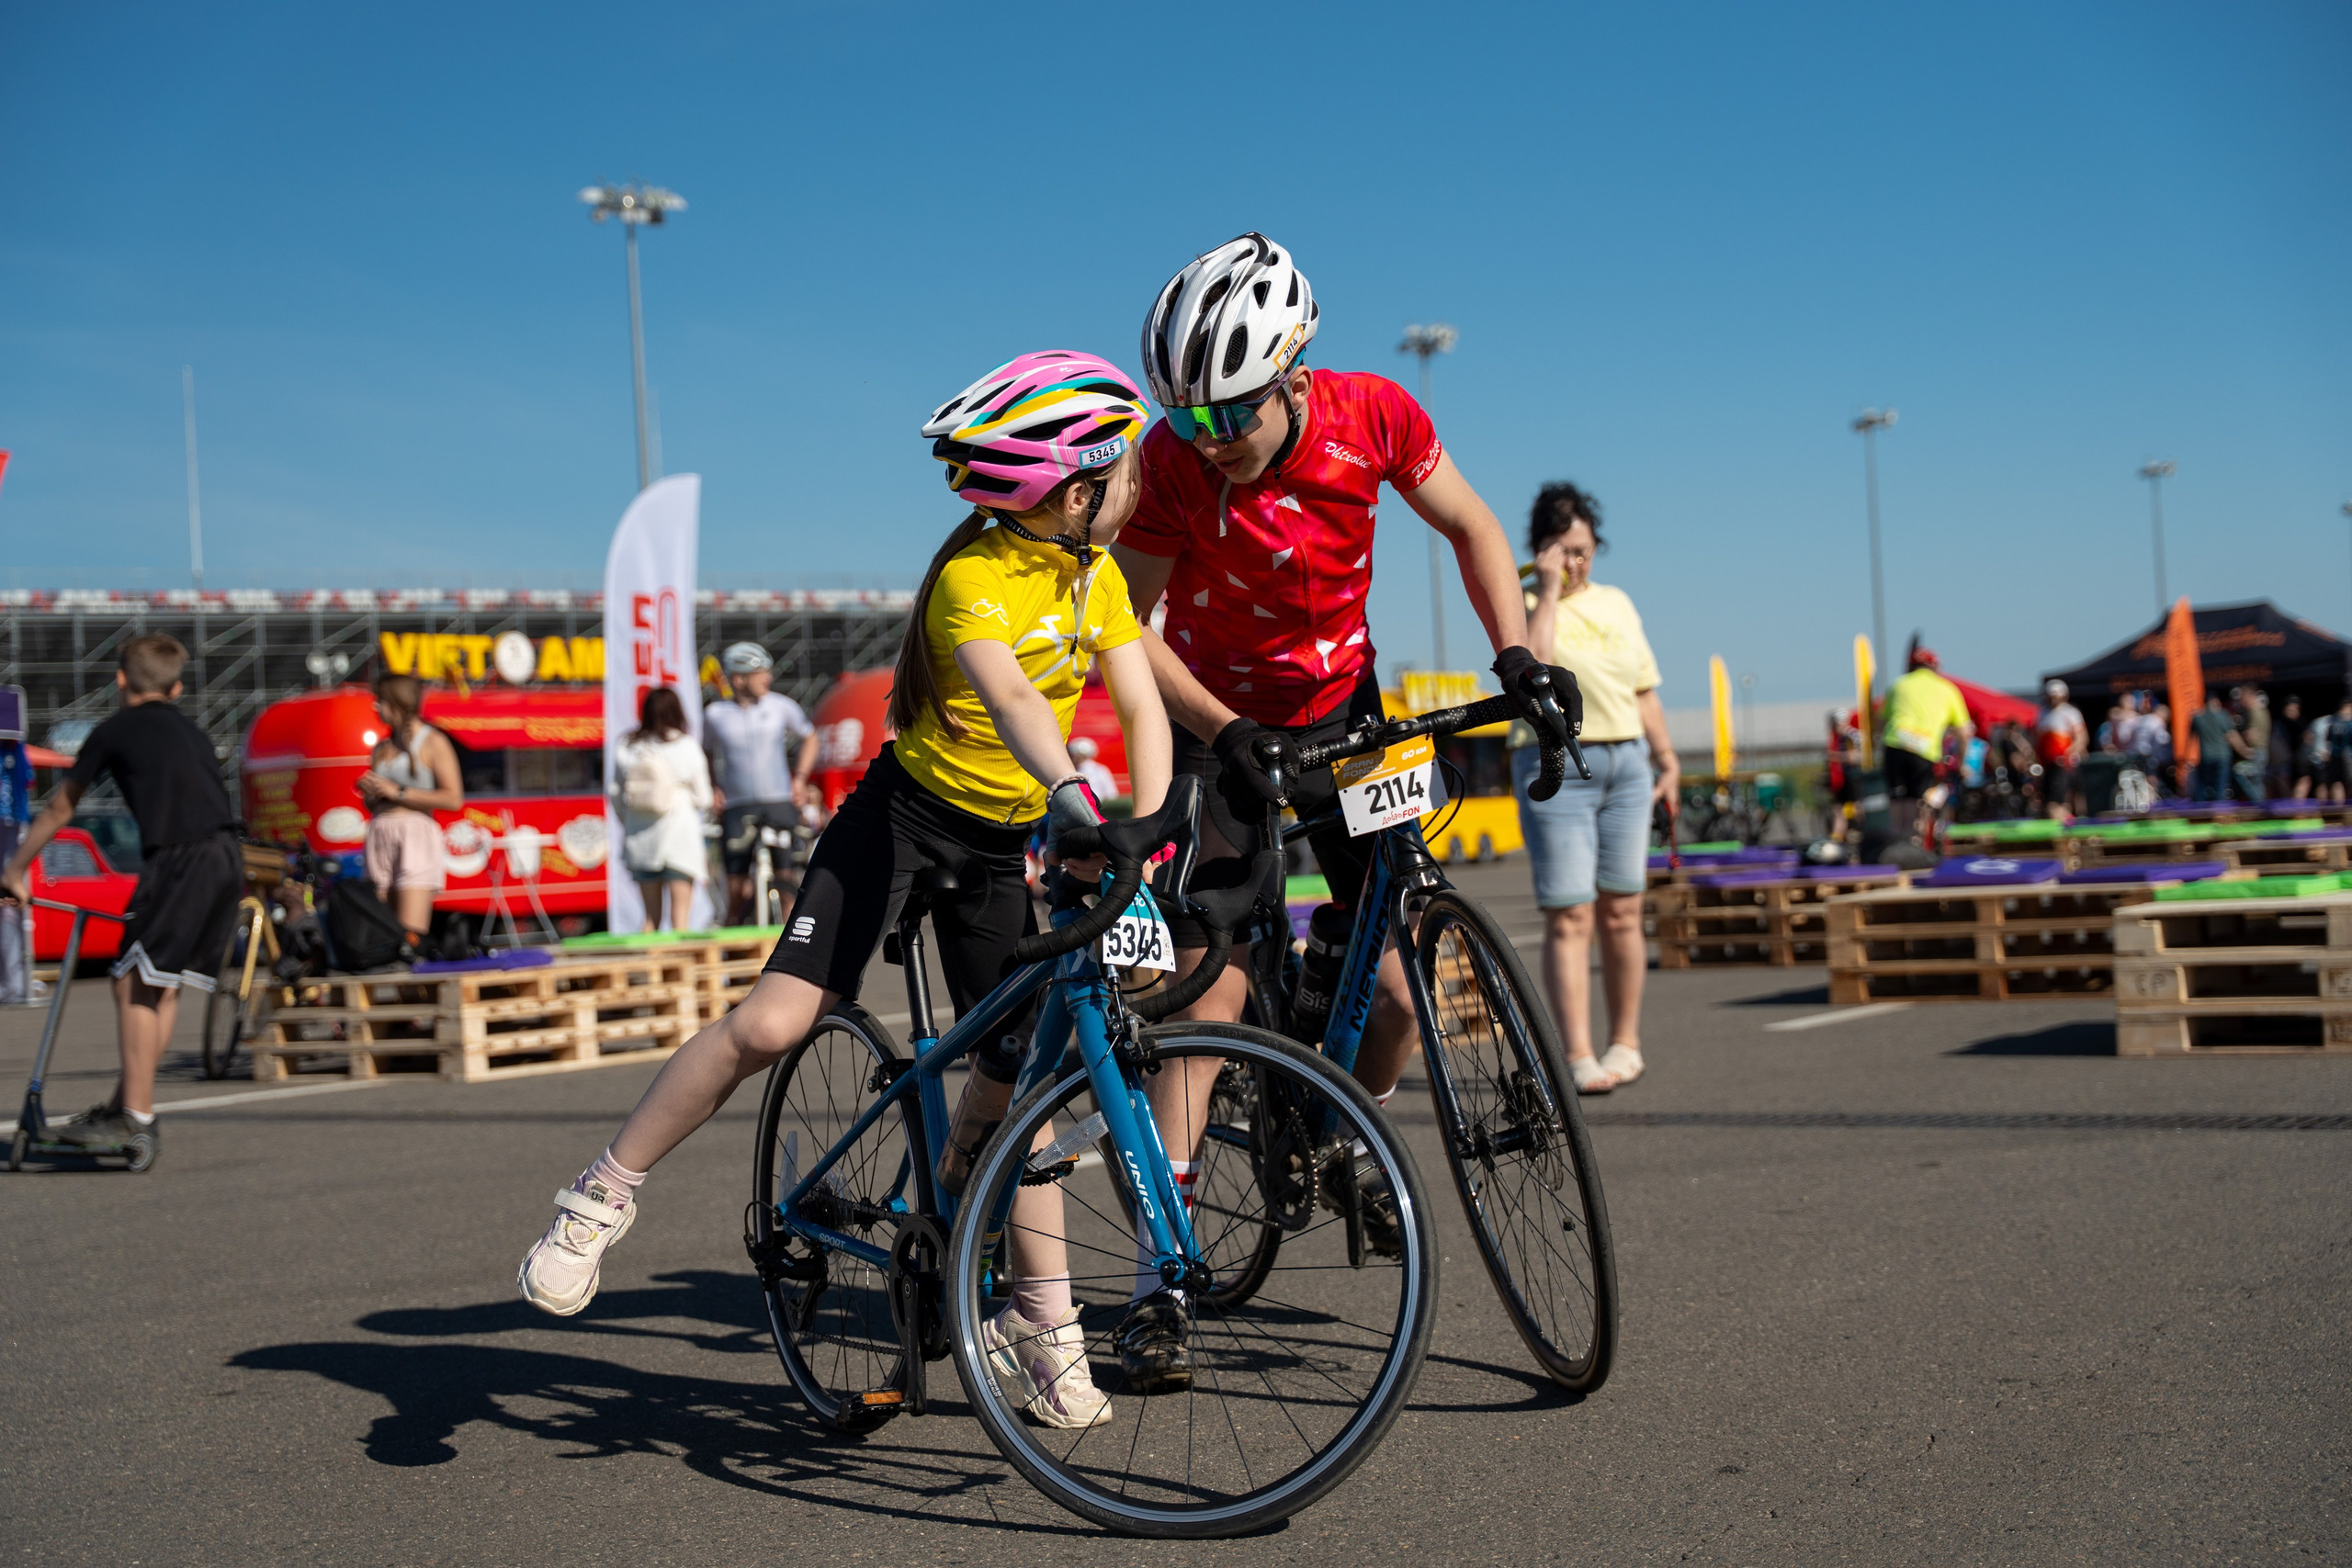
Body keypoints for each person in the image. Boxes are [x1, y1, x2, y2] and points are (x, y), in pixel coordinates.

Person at [519, 350, 1171, 1432]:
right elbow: (1015, 700)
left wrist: (1141, 829)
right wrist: (1071, 795)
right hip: (900, 824)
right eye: (1127, 470)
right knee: (774, 1023)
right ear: (1072, 492)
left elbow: (1141, 704)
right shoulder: (972, 579)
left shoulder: (1094, 576)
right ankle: (600, 1195)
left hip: (999, 845)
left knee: (1021, 1091)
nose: (1140, 485)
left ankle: (1040, 1324)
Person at [1107, 231, 1547, 1389]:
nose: (1208, 438)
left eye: (1228, 414)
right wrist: (1220, 732)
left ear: (1294, 376)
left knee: (1398, 989)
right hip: (1221, 728)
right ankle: (1162, 1281)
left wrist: (1517, 658)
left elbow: (1472, 527)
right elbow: (1127, 633)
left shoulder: (1373, 414)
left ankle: (1344, 1129)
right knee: (1213, 994)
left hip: (1346, 711)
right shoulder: (1170, 464)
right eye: (1187, 417)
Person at [0, 636, 243, 1156]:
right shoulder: (194, 732)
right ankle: (127, 1105)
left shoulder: (114, 730)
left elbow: (60, 809)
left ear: (120, 679)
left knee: (131, 982)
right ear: (176, 688)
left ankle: (135, 1116)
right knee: (160, 985)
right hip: (225, 856)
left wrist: (15, 871)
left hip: (180, 856)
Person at [1517, 482, 1679, 1093]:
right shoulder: (1523, 598)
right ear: (1541, 549)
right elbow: (1531, 667)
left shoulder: (1618, 603)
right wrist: (1548, 590)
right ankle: (1577, 1053)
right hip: (1556, 760)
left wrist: (1667, 759)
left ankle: (1626, 1042)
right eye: (1564, 550)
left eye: (1584, 550)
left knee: (1623, 909)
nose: (1577, 562)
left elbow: (1644, 690)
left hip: (1628, 763)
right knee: (1569, 914)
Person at [704, 643, 818, 925]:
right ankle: (734, 939)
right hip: (737, 805)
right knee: (736, 885)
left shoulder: (780, 705)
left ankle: (789, 937)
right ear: (738, 679)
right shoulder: (715, 714)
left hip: (779, 800)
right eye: (761, 673)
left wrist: (800, 778)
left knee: (786, 876)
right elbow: (704, 751)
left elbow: (810, 737)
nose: (769, 678)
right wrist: (713, 786)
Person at [357, 674, 463, 957]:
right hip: (381, 834)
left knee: (410, 936)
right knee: (380, 931)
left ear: (397, 702)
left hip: (415, 836)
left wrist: (397, 791)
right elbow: (376, 801)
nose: (376, 708)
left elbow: (453, 798)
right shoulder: (382, 747)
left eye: (380, 701)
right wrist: (373, 793)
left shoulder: (433, 741)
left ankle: (417, 978)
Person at [612, 685, 713, 932]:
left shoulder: (628, 745)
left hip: (641, 838)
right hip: (680, 840)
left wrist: (630, 820)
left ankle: (649, 960)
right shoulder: (686, 745)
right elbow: (704, 798)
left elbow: (615, 794)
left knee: (650, 919)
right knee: (680, 920)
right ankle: (680, 961)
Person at [1881, 647, 1973, 849]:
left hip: (1894, 745)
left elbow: (1882, 720)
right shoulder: (1947, 688)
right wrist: (1961, 763)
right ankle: (1915, 845)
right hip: (1923, 750)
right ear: (1935, 667)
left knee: (1898, 802)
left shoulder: (1898, 684)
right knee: (1920, 802)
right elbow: (1964, 733)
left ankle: (1897, 843)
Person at [2032, 679, 2088, 819]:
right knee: (2047, 801)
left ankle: (2070, 823)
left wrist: (2068, 754)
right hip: (2047, 765)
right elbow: (2037, 739)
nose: (2053, 699)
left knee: (2059, 802)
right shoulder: (2042, 713)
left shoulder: (2070, 712)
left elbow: (2082, 738)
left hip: (2064, 764)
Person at [2188, 692, 2241, 802]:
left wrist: (2187, 758)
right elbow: (2232, 735)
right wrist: (2244, 751)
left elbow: (2190, 738)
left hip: (2206, 756)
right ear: (2216, 702)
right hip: (2223, 756)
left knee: (2203, 786)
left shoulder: (2197, 718)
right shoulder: (2222, 715)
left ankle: (2200, 808)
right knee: (2221, 787)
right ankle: (2220, 808)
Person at [2270, 694, 2305, 801]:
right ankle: (2290, 807)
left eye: (2296, 709)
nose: (2294, 712)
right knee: (2283, 784)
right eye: (2291, 709)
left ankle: (2293, 806)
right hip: (2282, 762)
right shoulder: (2279, 723)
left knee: (2303, 779)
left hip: (2297, 760)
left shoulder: (2300, 723)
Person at [1068, 735, 1119, 802]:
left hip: (1097, 804)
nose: (1073, 758)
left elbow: (1110, 793)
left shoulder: (1098, 770)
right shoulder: (1072, 770)